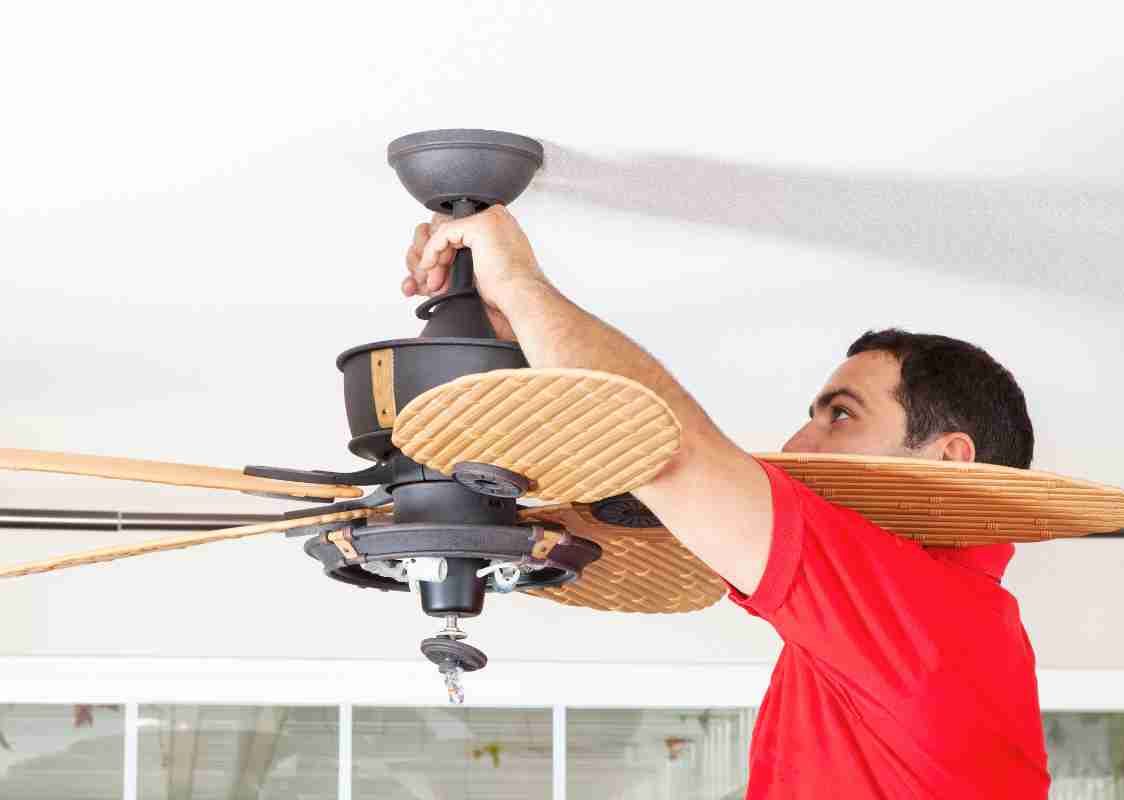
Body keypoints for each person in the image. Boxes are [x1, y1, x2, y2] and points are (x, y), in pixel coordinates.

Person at [403, 205, 1051, 799]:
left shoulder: (932, 621)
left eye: (841, 417)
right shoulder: (919, 630)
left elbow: (662, 450)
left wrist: (520, 285)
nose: (798, 443)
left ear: (947, 457)